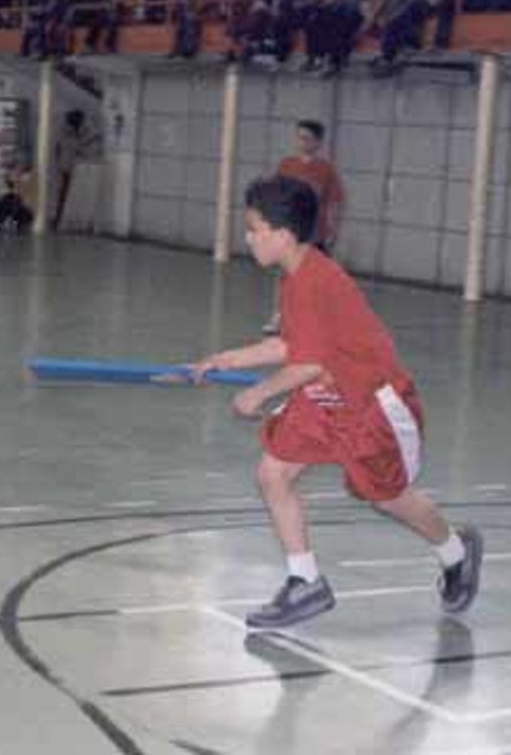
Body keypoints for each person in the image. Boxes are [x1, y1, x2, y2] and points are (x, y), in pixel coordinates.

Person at [187, 175, 483, 629]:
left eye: (255, 228)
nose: (248, 237)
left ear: (283, 235)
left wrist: (258, 393)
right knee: (273, 472)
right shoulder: (296, 276)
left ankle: (456, 553)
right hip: (325, 396)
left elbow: (305, 363)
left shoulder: (314, 282)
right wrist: (228, 358)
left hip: (371, 407)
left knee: (385, 496)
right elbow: (295, 346)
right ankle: (305, 581)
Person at [265, 120, 344, 333]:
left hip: (315, 233)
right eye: (299, 137)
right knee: (285, 274)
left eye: (307, 138)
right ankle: (279, 317)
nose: (301, 142)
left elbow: (335, 201)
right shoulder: (287, 165)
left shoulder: (325, 169)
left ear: (318, 142)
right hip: (290, 231)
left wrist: (333, 230)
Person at [52, 109, 100, 231]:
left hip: (77, 168)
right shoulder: (66, 132)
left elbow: (84, 149)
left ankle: (70, 220)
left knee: (72, 195)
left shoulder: (82, 132)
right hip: (68, 167)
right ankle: (60, 219)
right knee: (64, 194)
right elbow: (61, 148)